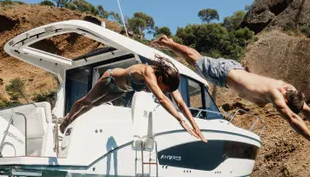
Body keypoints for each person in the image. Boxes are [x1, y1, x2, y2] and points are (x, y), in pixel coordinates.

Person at [150, 35, 310, 160]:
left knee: (196, 59)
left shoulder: (290, 90)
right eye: (284, 107)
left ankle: (168, 43)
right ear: (285, 101)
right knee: (195, 58)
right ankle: (167, 42)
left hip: (234, 70)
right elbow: (294, 119)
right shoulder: (277, 95)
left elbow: (308, 112)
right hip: (225, 74)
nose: (282, 108)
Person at [59, 55, 207, 142]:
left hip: (120, 90)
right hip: (110, 79)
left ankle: (72, 119)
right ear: (160, 78)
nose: (166, 92)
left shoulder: (164, 82)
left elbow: (180, 103)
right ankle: (68, 118)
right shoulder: (148, 71)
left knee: (95, 104)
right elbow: (162, 99)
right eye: (167, 89)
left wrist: (195, 126)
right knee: (87, 101)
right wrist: (181, 121)